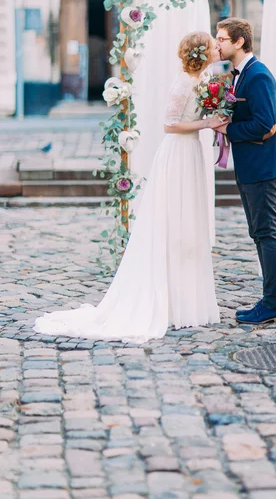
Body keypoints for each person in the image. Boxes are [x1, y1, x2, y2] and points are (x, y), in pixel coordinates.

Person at [34, 32, 224, 343]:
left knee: (189, 224)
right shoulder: (183, 83)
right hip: (177, 152)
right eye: (214, 45)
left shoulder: (205, 80)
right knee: (173, 222)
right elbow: (169, 123)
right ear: (201, 53)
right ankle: (170, 300)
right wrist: (207, 123)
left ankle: (187, 300)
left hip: (192, 152)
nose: (218, 47)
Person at [215, 18, 276, 325]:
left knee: (267, 233)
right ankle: (269, 300)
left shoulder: (258, 76)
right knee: (259, 233)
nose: (217, 43)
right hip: (251, 166)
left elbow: (266, 125)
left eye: (222, 39)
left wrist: (228, 128)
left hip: (262, 166)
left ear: (239, 42)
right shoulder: (240, 75)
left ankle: (274, 304)